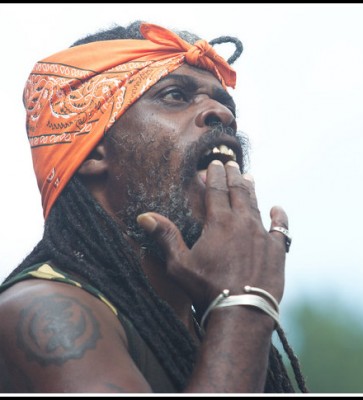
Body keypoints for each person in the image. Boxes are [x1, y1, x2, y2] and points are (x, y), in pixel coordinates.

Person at [0, 20, 308, 393]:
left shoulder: (197, 329)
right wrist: (244, 306)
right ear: (94, 150)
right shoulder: (45, 311)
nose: (221, 113)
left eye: (225, 103)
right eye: (175, 95)